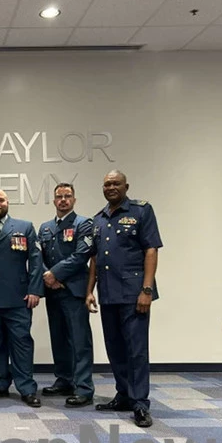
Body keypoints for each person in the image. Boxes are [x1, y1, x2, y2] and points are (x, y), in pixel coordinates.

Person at [86, 170, 162, 428]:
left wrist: (147, 290)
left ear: (126, 186)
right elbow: (95, 258)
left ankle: (140, 403)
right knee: (115, 348)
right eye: (107, 184)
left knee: (136, 350)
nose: (111, 187)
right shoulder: (98, 219)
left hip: (133, 293)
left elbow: (151, 250)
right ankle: (124, 395)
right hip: (108, 293)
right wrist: (89, 291)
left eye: (116, 183)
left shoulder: (141, 211)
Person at [0, 189, 44, 408]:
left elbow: (35, 260)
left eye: (1, 200)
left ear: (7, 203)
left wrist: (35, 290)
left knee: (22, 343)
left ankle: (27, 388)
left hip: (18, 299)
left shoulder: (25, 227)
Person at [38, 182, 96, 408]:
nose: (63, 200)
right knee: (59, 338)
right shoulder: (45, 228)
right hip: (53, 291)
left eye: (67, 196)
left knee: (80, 341)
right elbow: (38, 256)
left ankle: (84, 388)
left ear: (74, 200)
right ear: (54, 200)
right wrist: (47, 276)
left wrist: (54, 274)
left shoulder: (84, 224)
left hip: (73, 291)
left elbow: (82, 255)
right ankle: (64, 380)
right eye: (59, 196)